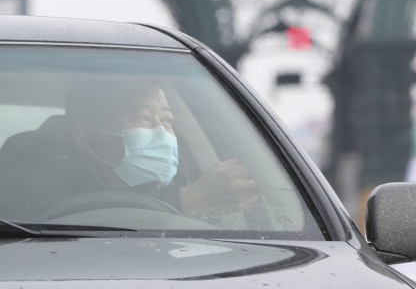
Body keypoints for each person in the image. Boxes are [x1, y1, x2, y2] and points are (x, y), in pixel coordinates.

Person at [0, 79, 259, 220]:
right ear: (88, 138)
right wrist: (182, 203)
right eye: (143, 119)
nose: (162, 134)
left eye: (167, 121)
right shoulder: (29, 172)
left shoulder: (186, 175)